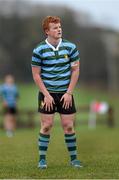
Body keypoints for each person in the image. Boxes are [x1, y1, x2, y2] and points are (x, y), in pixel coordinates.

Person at [31, 16, 82, 169]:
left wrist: (69, 93)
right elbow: (36, 75)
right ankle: (42, 160)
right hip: (47, 94)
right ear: (47, 31)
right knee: (46, 126)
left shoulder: (70, 47)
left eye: (59, 27)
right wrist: (46, 95)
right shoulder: (38, 49)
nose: (59, 29)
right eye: (55, 27)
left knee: (68, 126)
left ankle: (74, 160)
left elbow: (75, 70)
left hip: (66, 93)